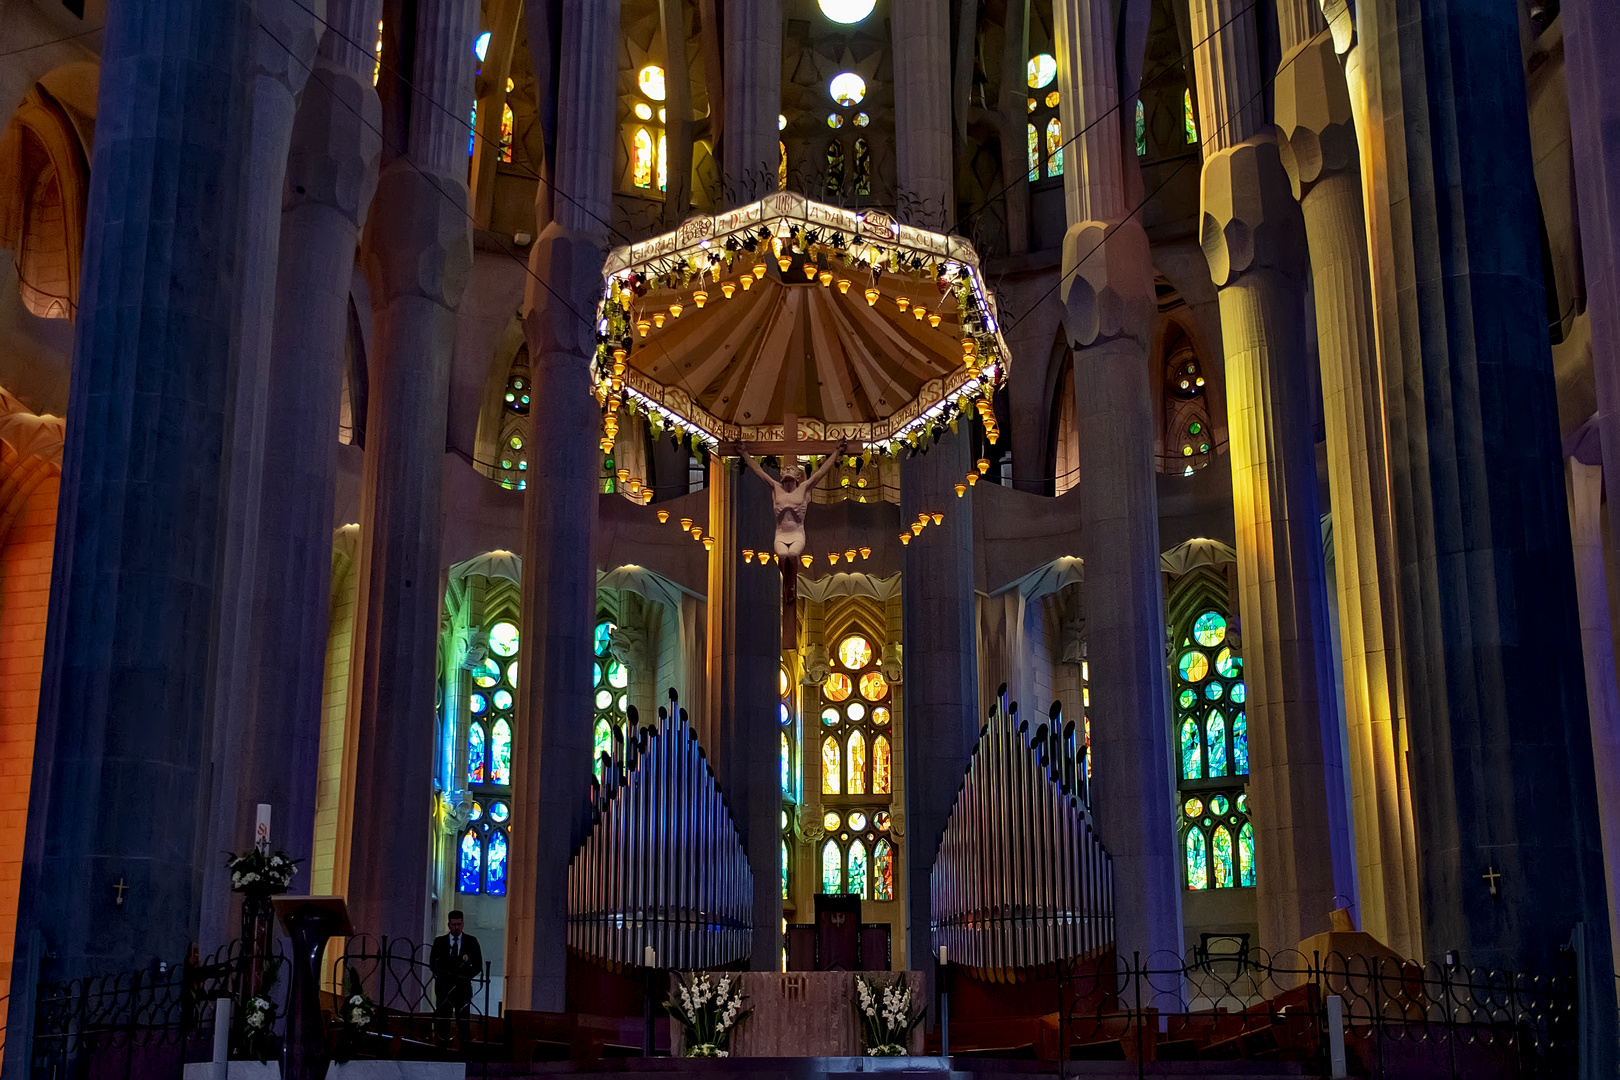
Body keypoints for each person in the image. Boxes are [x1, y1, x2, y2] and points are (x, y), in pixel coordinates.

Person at [741, 444, 845, 559]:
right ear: (781, 475)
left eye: (791, 469)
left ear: (798, 476)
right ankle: (786, 573)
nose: (788, 469)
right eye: (785, 469)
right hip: (781, 533)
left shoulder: (804, 488)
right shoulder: (776, 487)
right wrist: (744, 453)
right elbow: (759, 471)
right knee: (782, 554)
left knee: (792, 554)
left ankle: (793, 568)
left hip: (797, 533)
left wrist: (836, 452)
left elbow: (821, 473)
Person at [430, 910, 483, 1050]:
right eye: (454, 925)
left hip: (462, 988)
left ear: (463, 924)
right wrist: (445, 975)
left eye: (459, 924)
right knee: (443, 1021)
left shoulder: (471, 942)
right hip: (444, 988)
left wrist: (464, 976)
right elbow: (432, 964)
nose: (457, 928)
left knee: (463, 1021)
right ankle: (441, 1052)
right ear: (449, 925)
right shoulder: (440, 942)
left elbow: (478, 965)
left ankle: (465, 1052)